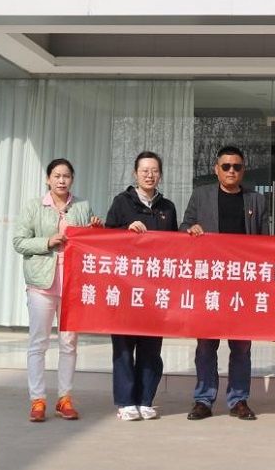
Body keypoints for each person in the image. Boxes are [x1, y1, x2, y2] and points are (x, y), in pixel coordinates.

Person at [180, 145, 270, 421]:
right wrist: (191, 230)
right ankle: (203, 400)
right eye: (226, 166)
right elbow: (183, 228)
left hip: (243, 285)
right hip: (209, 283)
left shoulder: (256, 200)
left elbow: (266, 244)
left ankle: (238, 400)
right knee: (206, 345)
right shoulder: (201, 196)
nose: (232, 171)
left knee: (241, 347)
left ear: (243, 170)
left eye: (237, 167)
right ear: (216, 169)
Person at [12, 158, 102, 423]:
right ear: (48, 179)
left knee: (69, 343)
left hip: (73, 284)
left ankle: (64, 398)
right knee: (38, 342)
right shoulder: (34, 206)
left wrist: (96, 230)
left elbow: (91, 243)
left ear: (72, 179)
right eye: (57, 176)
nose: (62, 180)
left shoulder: (82, 206)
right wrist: (48, 242)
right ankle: (37, 399)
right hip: (41, 283)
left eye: (66, 176)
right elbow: (19, 242)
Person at [104, 151, 179, 421]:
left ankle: (146, 399)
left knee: (151, 347)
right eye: (145, 170)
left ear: (160, 174)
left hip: (155, 290)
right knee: (124, 347)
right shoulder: (121, 202)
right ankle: (126, 402)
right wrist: (125, 231)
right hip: (125, 288)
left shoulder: (167, 207)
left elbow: (174, 245)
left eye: (155, 170)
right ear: (135, 173)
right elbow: (105, 240)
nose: (150, 175)